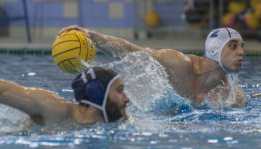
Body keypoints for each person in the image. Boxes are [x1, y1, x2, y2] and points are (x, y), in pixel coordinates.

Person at [58, 26, 246, 107]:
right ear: (214, 49)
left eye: (241, 46)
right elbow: (132, 51)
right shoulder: (179, 64)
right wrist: (93, 37)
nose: (241, 52)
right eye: (233, 46)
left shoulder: (232, 96)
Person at [0, 67, 130, 130]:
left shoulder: (119, 122)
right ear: (97, 93)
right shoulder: (55, 108)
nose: (127, 98)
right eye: (120, 90)